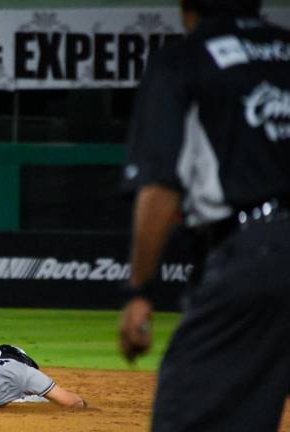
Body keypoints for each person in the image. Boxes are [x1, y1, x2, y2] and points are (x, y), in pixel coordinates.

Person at [119, 0, 290, 430]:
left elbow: (160, 188)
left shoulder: (185, 60)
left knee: (186, 415)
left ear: (187, 6)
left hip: (256, 253)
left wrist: (139, 291)